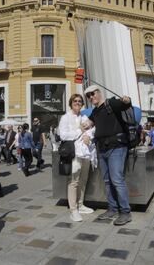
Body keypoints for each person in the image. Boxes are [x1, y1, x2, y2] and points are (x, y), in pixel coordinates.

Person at [85, 85, 132, 226]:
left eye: (93, 94)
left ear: (99, 93)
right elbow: (88, 124)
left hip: (117, 147)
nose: (91, 97)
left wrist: (127, 99)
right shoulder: (95, 112)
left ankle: (125, 212)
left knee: (117, 180)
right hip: (102, 149)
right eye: (88, 96)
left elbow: (125, 104)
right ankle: (112, 209)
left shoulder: (111, 103)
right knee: (107, 181)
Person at [59, 94, 95, 222]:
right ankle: (73, 210)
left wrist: (89, 136)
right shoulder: (65, 117)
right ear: (71, 103)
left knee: (83, 180)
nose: (78, 103)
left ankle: (80, 205)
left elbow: (92, 128)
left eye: (80, 101)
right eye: (75, 101)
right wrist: (79, 131)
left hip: (85, 153)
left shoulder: (84, 116)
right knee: (73, 181)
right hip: (73, 153)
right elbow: (63, 135)